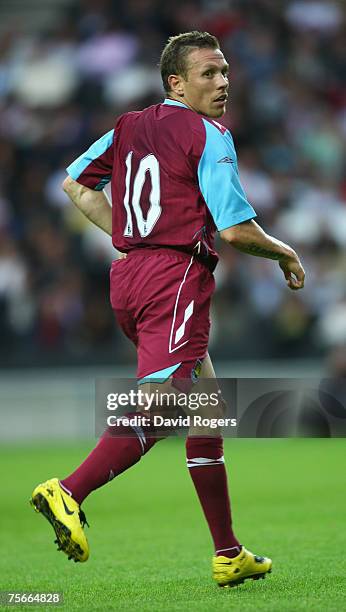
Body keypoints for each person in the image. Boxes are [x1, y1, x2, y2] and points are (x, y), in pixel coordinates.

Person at [30, 31, 305, 588]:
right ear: (177, 82)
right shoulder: (210, 134)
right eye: (209, 74)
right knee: (166, 405)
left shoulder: (129, 126)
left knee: (204, 407)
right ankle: (68, 491)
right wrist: (285, 252)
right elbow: (233, 230)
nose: (223, 82)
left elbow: (76, 185)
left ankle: (228, 553)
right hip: (173, 276)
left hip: (129, 278)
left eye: (225, 71)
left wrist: (134, 236)